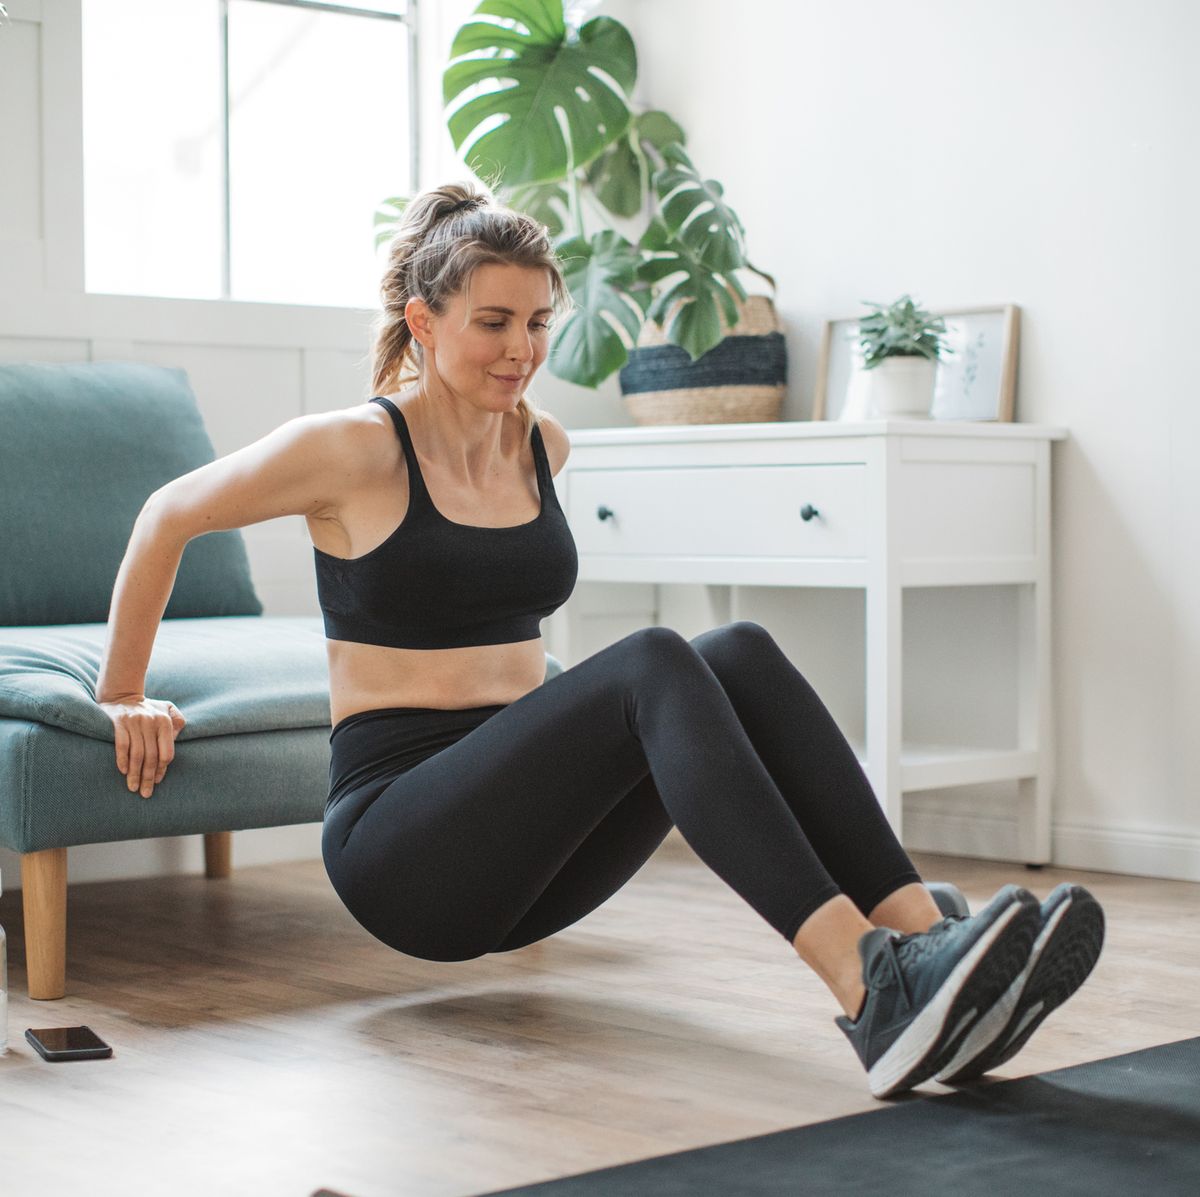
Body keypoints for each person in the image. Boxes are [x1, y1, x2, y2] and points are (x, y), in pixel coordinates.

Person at [93, 182, 1105, 1100]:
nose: (521, 349)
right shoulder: (354, 448)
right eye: (493, 323)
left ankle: (931, 945)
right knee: (653, 660)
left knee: (740, 651)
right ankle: (870, 984)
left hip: (527, 854)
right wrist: (121, 691)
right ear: (423, 321)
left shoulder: (542, 443)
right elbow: (165, 515)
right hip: (402, 848)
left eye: (538, 322)